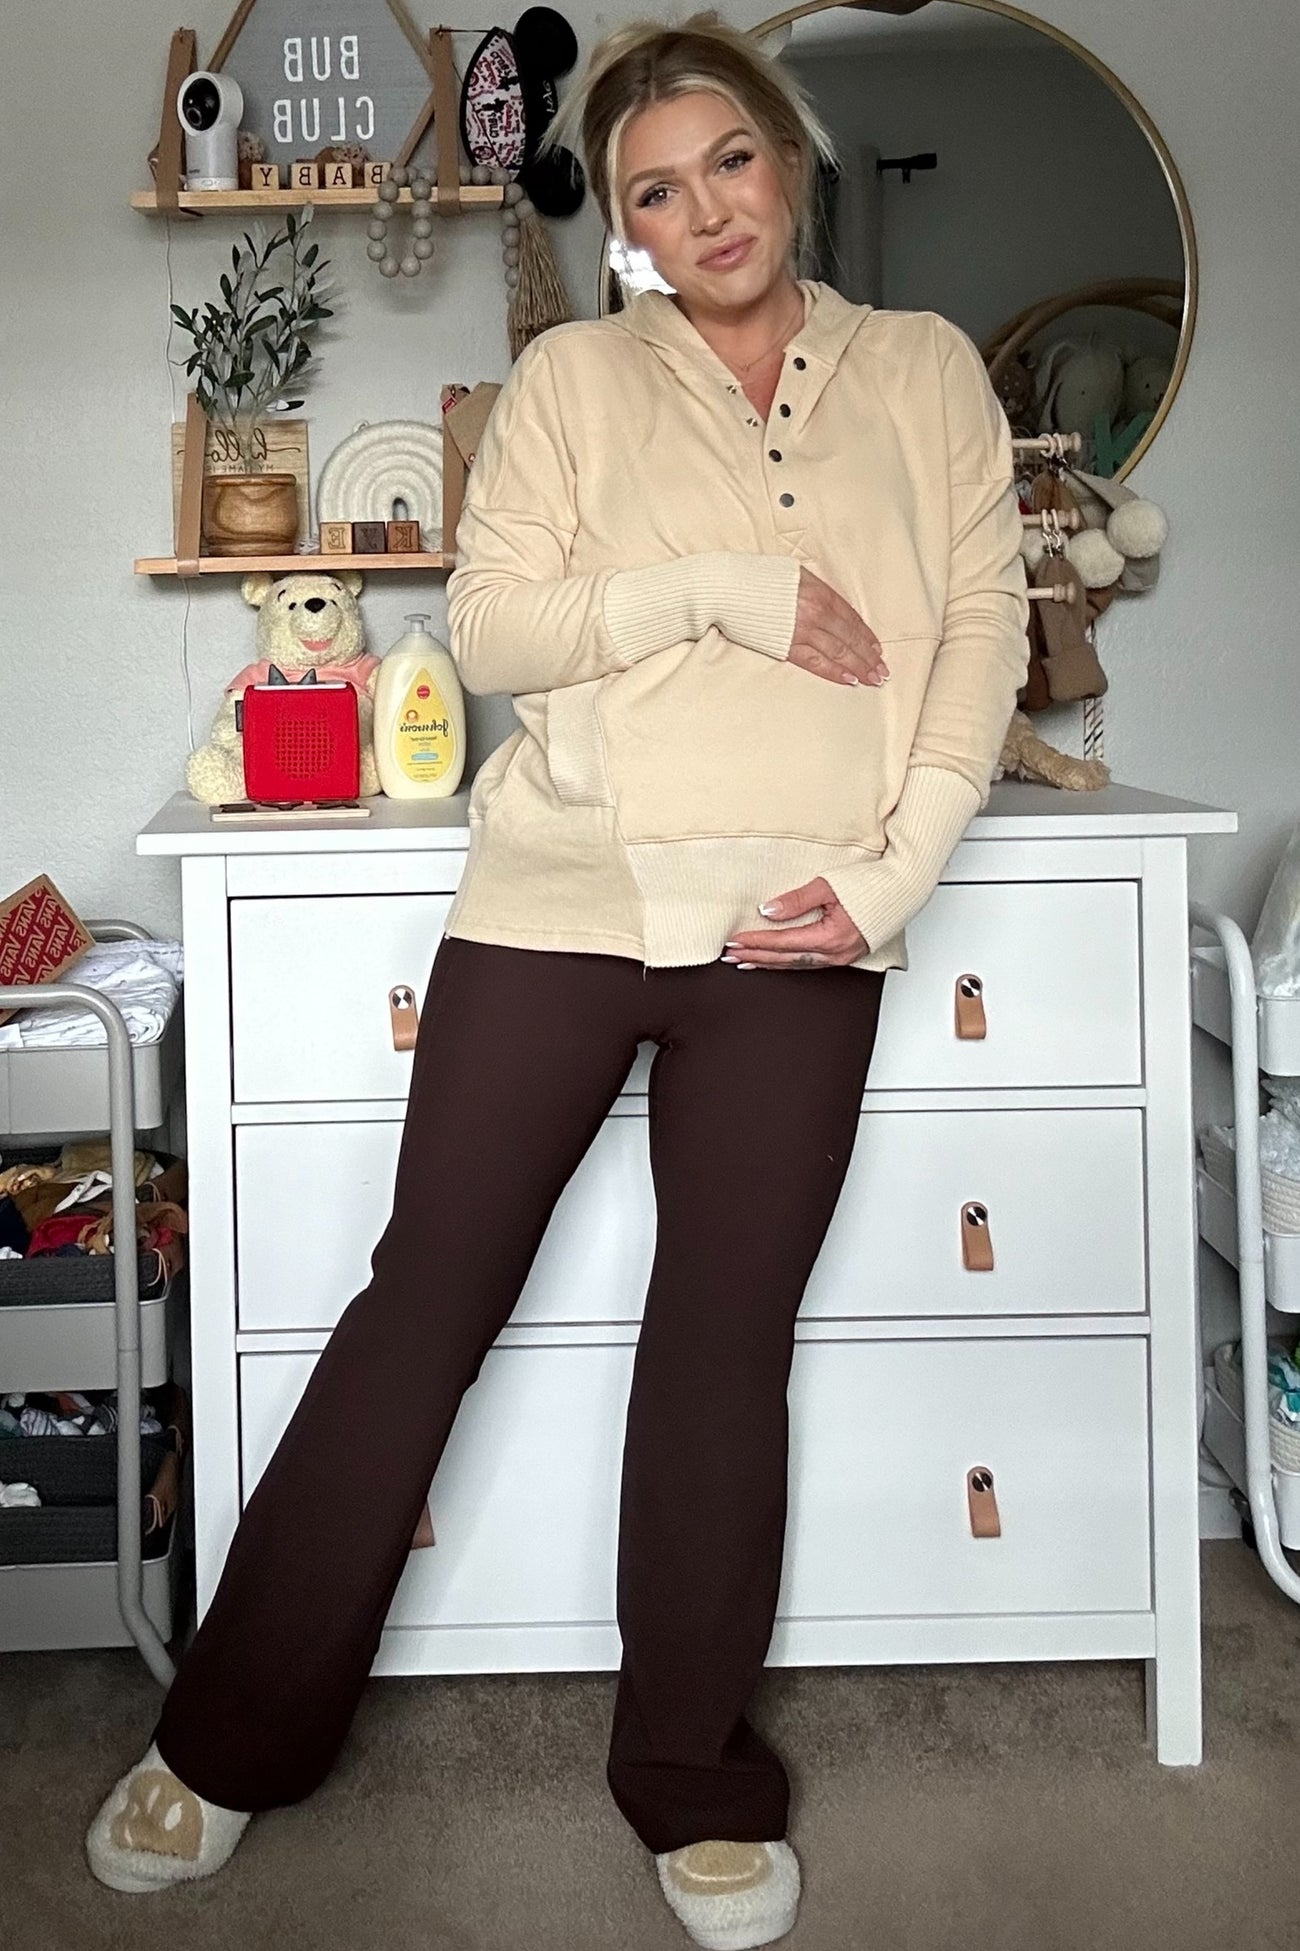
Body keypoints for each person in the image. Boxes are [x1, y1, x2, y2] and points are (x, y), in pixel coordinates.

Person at [86, 13, 1028, 1948]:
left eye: (731, 163)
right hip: (559, 900)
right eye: (658, 192)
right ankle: (225, 1738)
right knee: (425, 1303)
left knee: (722, 1340)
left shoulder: (925, 370)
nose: (709, 213)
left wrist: (887, 881)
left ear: (790, 160)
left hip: (800, 921)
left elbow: (982, 647)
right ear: (626, 226)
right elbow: (498, 624)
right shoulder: (573, 380)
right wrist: (723, 592)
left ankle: (692, 1777)